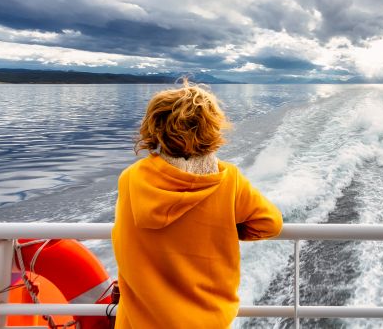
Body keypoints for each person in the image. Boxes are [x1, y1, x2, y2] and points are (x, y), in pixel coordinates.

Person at [112, 80, 283, 328]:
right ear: (211, 128)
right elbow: (271, 224)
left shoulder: (131, 178)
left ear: (155, 126)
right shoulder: (228, 180)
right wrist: (227, 228)